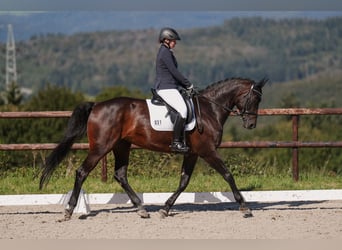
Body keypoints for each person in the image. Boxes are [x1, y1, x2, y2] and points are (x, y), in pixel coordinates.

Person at [154, 27, 193, 153]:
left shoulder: (166, 52)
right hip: (166, 88)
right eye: (173, 40)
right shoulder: (165, 53)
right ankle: (176, 142)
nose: (175, 42)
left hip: (170, 86)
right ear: (166, 40)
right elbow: (174, 72)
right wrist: (188, 84)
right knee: (183, 110)